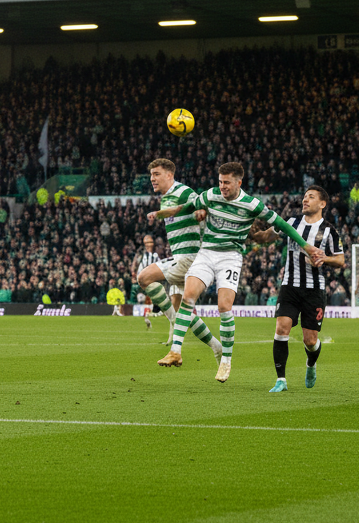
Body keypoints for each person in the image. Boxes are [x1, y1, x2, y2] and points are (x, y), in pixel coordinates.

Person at [149, 162, 324, 382]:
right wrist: (164, 212)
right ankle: (175, 351)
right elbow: (188, 207)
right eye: (220, 182)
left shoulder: (252, 205)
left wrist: (306, 247)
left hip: (230, 257)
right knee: (188, 296)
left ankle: (226, 360)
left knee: (224, 306)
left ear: (238, 182)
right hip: (206, 253)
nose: (222, 186)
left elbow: (283, 225)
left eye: (227, 183)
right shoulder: (210, 195)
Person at [251, 186, 345, 393]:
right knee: (281, 328)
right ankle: (281, 380)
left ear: (322, 204)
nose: (305, 200)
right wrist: (252, 234)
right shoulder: (291, 223)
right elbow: (267, 237)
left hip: (314, 291)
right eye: (304, 197)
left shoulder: (329, 230)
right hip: (289, 287)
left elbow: (340, 260)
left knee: (310, 340)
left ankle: (311, 364)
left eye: (310, 197)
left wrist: (323, 258)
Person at [138, 158, 221, 361]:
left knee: (144, 277)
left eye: (156, 174)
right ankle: (216, 346)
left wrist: (201, 211)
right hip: (182, 257)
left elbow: (200, 206)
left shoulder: (183, 192)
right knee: (182, 309)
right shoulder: (166, 198)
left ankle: (174, 324)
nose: (152, 179)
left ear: (169, 175)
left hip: (190, 258)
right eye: (151, 175)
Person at [133, 234, 161, 329]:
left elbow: (160, 268)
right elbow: (138, 268)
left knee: (153, 301)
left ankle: (150, 318)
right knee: (142, 298)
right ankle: (145, 317)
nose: (149, 244)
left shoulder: (156, 256)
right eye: (147, 242)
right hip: (144, 282)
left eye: (150, 242)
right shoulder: (142, 256)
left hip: (153, 282)